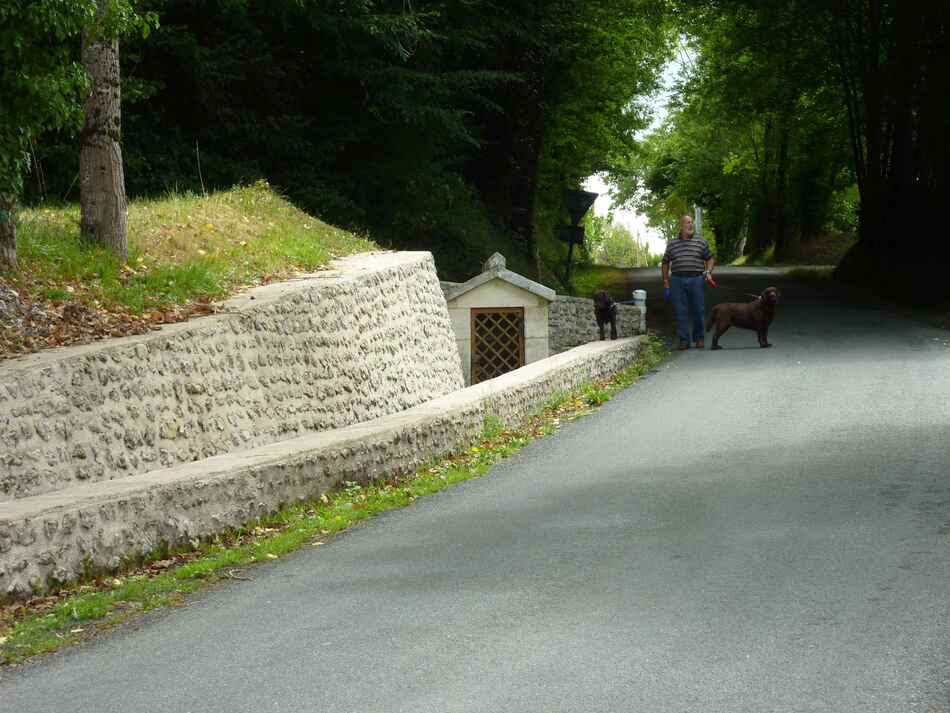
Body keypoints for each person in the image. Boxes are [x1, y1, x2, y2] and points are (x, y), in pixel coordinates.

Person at [662, 215, 715, 350]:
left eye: (692, 222)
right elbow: (665, 262)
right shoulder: (672, 243)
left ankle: (699, 338)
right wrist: (666, 282)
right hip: (677, 280)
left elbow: (710, 258)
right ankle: (684, 340)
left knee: (698, 309)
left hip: (696, 279)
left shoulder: (701, 242)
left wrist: (708, 272)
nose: (690, 225)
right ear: (681, 225)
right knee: (681, 311)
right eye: (687, 223)